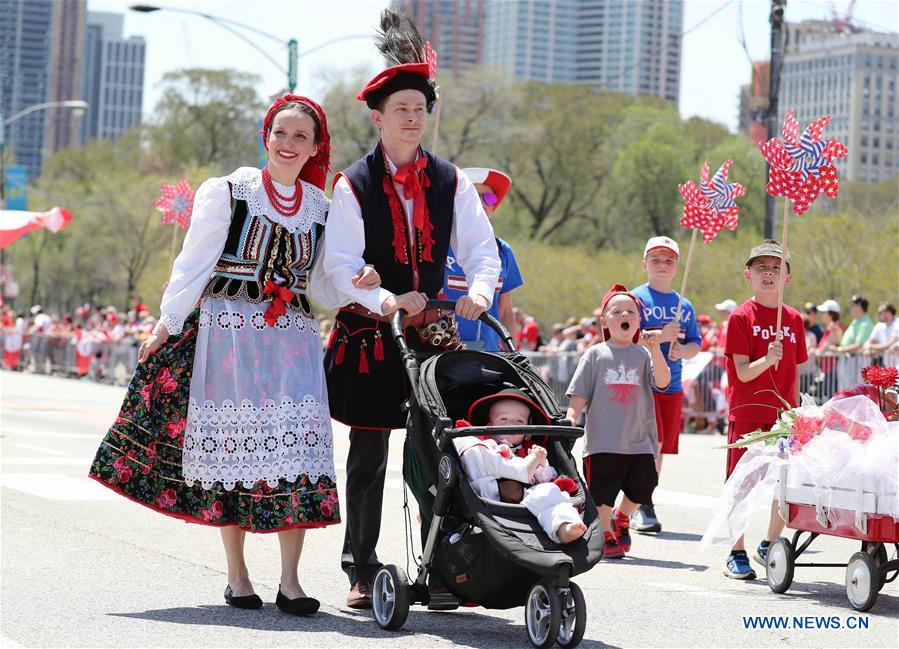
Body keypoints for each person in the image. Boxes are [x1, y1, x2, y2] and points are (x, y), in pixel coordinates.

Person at [88, 95, 380, 615]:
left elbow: (324, 288)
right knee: (232, 455)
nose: (289, 144)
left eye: (301, 137)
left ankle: (291, 582)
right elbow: (192, 263)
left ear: (315, 146)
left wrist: (359, 284)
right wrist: (166, 323)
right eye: (281, 133)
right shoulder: (228, 190)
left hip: (291, 340)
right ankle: (238, 576)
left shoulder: (320, 207)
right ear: (266, 136)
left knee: (297, 454)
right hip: (229, 334)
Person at [311, 10, 501, 611]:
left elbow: (482, 249)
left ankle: (443, 566)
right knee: (368, 456)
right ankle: (360, 568)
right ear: (378, 117)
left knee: (439, 451)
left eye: (420, 108)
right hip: (372, 336)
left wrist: (480, 290)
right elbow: (339, 266)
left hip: (433, 334)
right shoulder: (353, 185)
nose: (412, 118)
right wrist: (384, 297)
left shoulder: (451, 181)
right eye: (401, 109)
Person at [722, 240, 807, 580]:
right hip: (747, 411)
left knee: (786, 485)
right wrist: (768, 359)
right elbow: (742, 373)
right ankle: (736, 550)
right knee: (741, 485)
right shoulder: (741, 317)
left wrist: (797, 410)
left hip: (782, 416)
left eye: (776, 268)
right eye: (761, 268)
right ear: (749, 275)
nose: (768, 274)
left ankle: (769, 542)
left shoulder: (795, 319)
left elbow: (797, 370)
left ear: (787, 277)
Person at [566, 285, 670, 559]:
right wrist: (571, 417)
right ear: (605, 321)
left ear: (638, 320)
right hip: (603, 440)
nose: (625, 315)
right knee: (602, 493)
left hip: (639, 440)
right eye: (617, 311)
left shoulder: (643, 354)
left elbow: (662, 381)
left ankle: (622, 516)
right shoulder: (595, 354)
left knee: (645, 485)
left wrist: (656, 350)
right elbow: (580, 393)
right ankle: (606, 531)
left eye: (631, 312)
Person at [630, 236, 701, 533]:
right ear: (644, 263)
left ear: (677, 266)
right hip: (638, 384)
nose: (662, 265)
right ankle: (628, 502)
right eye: (656, 259)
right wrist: (659, 336)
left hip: (670, 386)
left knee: (658, 447)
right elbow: (626, 337)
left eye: (669, 260)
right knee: (638, 446)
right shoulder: (635, 299)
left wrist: (682, 349)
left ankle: (644, 501)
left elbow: (695, 342)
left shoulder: (684, 305)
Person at [453, 389, 587, 544]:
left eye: (519, 422)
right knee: (471, 449)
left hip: (524, 499)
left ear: (527, 433)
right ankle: (519, 469)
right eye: (503, 419)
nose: (511, 425)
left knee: (548, 491)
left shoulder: (529, 449)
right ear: (489, 425)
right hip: (487, 494)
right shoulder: (484, 443)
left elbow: (545, 479)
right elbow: (473, 459)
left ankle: (564, 527)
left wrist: (541, 463)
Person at [442, 167, 522, 351]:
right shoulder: (436, 245)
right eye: (473, 196)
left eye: (489, 198)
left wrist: (513, 353)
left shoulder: (502, 251)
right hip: (440, 351)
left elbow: (505, 310)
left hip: (490, 353)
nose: (482, 203)